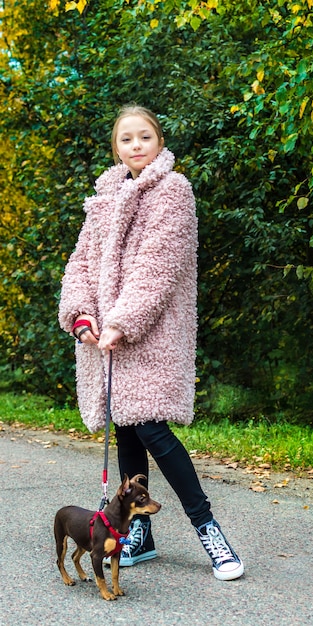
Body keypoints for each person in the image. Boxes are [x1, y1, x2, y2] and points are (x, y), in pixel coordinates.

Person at [58, 104, 244, 581]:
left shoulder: (173, 191)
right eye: (126, 139)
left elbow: (158, 266)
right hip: (107, 340)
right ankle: (140, 534)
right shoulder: (104, 198)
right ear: (115, 148)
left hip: (152, 333)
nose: (136, 145)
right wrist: (81, 315)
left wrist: (124, 320)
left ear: (159, 142)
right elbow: (80, 263)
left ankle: (208, 529)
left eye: (145, 137)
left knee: (154, 431)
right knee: (125, 428)